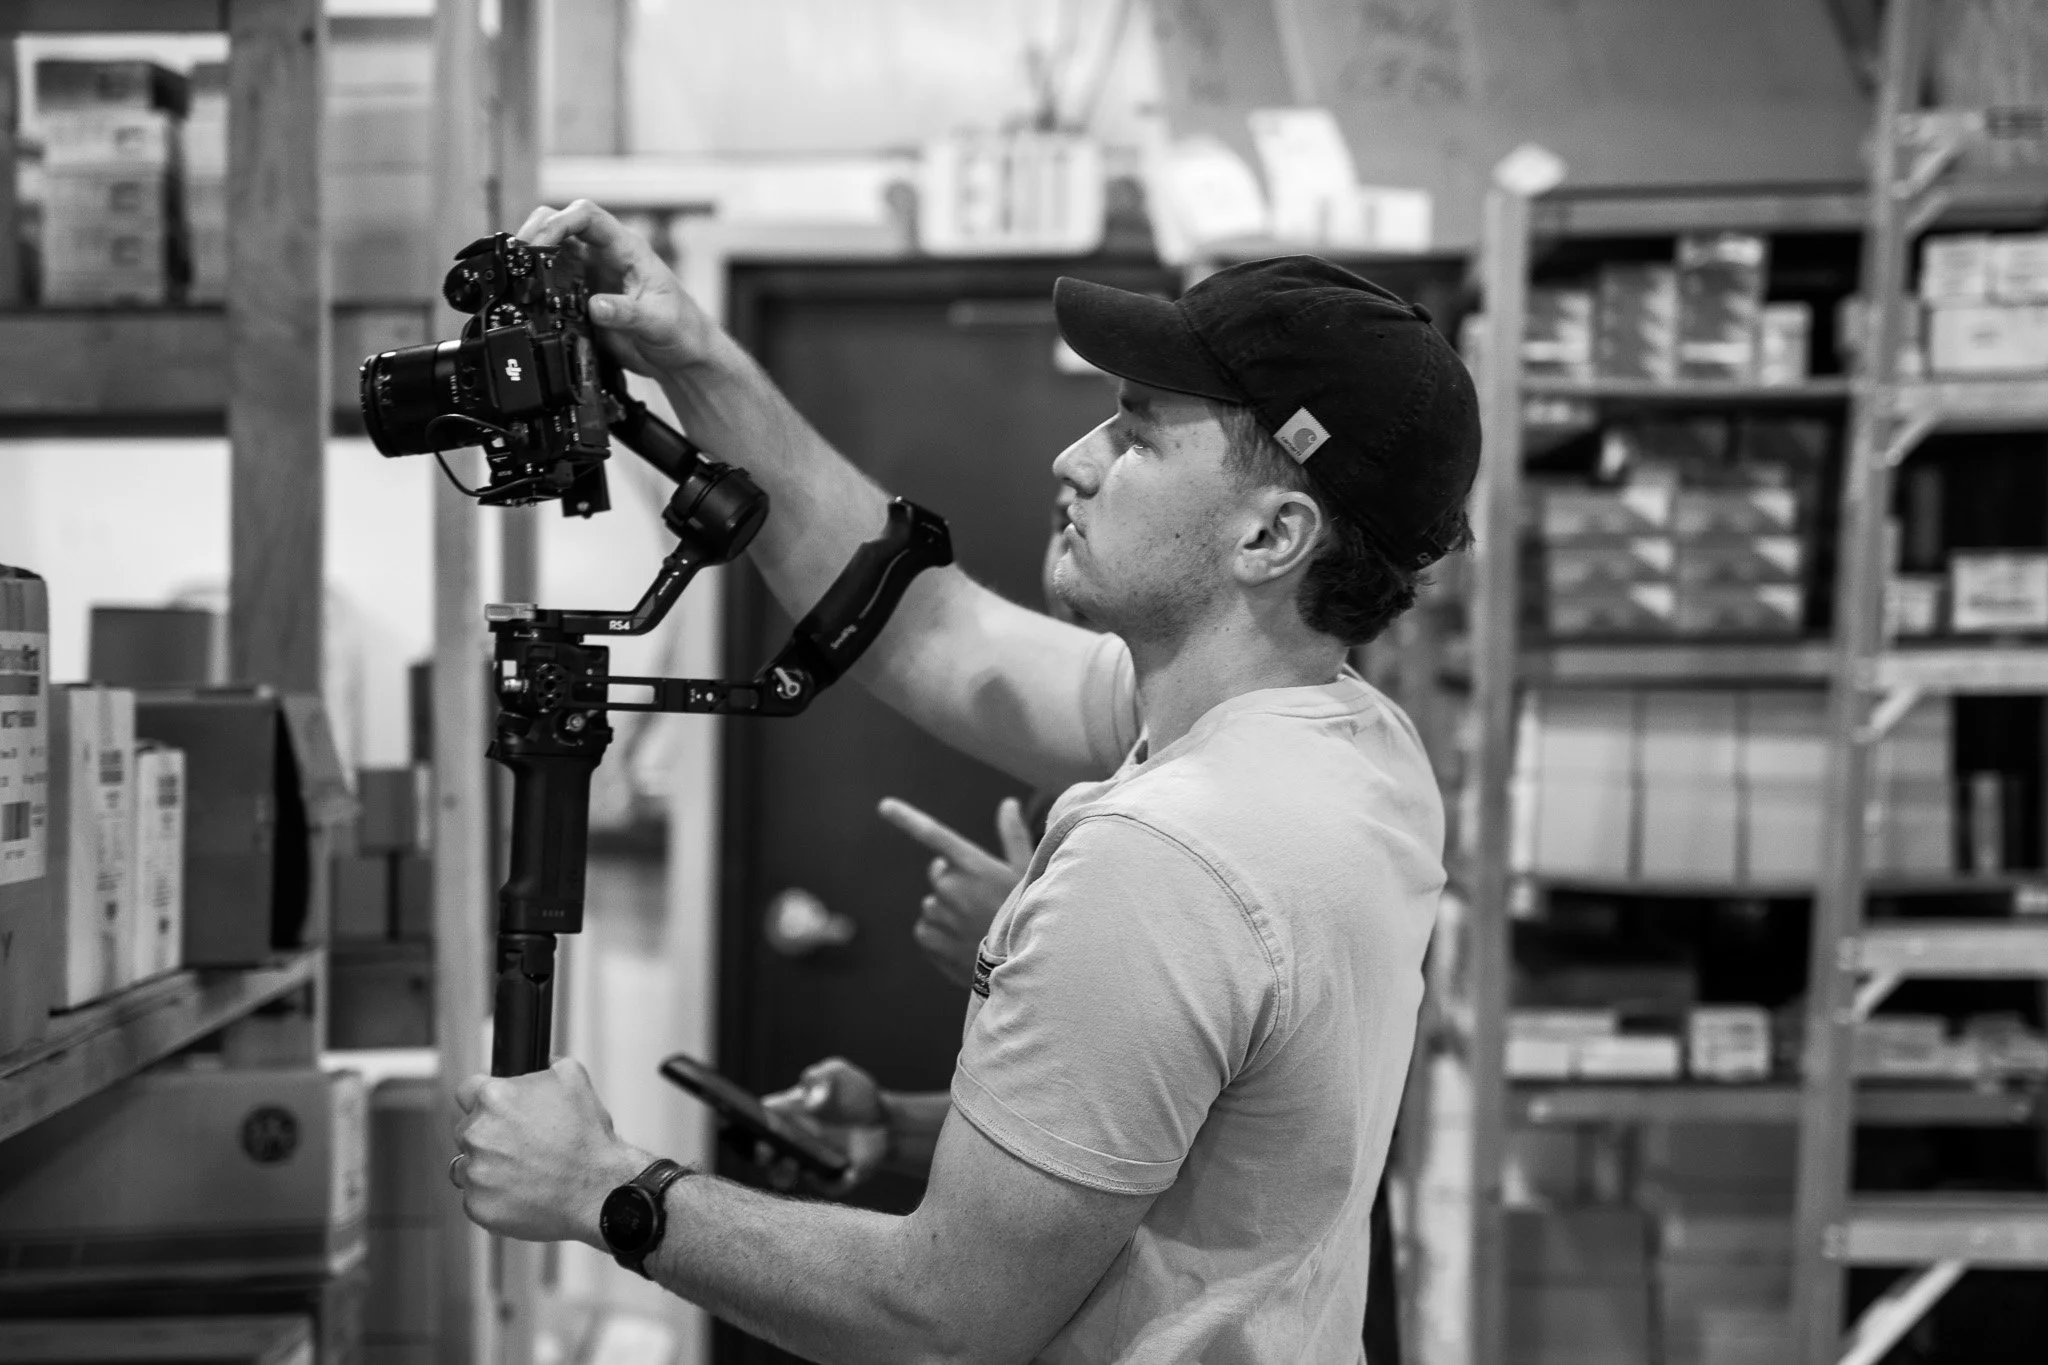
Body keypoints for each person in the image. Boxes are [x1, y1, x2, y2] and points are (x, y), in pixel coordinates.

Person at [450, 198, 1478, 1365]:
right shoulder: (1349, 748)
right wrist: (697, 356)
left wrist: (601, 1186)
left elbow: (939, 1321)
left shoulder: (1164, 861)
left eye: (1138, 435)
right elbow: (935, 637)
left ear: (1268, 537)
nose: (1073, 458)